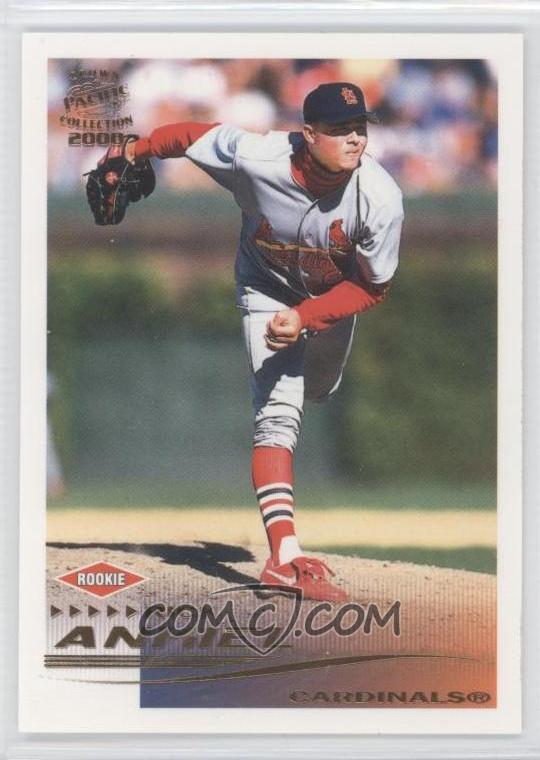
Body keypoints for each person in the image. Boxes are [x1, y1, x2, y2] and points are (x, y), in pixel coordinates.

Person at [120, 82, 404, 602]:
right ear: (308, 134)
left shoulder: (380, 197)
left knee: (319, 389)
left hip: (329, 299)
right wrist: (129, 151)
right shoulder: (257, 156)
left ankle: (308, 368)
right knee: (277, 414)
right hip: (265, 286)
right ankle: (285, 557)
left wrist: (308, 316)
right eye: (340, 129)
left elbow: (372, 286)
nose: (355, 139)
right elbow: (188, 135)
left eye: (360, 127)